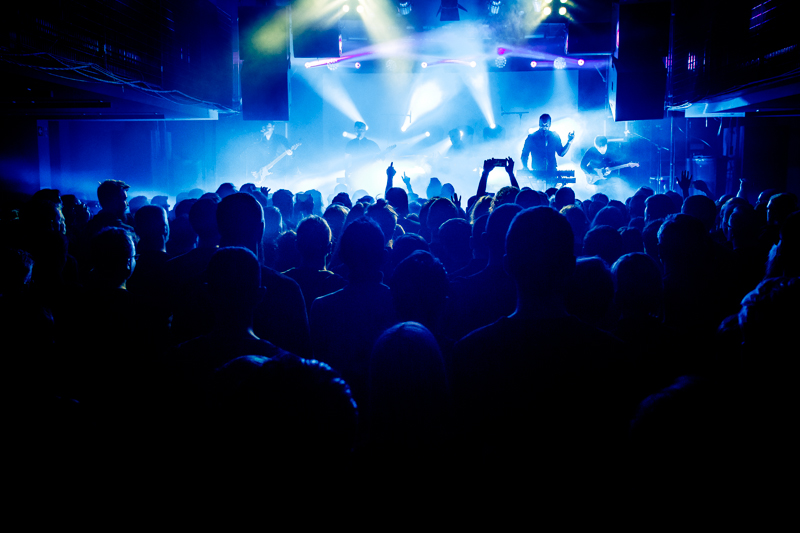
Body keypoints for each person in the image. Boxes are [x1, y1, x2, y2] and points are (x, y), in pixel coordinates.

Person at [520, 114, 575, 185]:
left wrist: (569, 142)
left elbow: (561, 153)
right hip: (537, 171)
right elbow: (524, 154)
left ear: (550, 124)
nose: (544, 128)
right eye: (542, 125)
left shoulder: (554, 136)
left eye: (546, 126)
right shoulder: (532, 137)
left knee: (551, 192)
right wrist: (525, 167)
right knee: (538, 193)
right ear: (539, 123)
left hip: (551, 171)